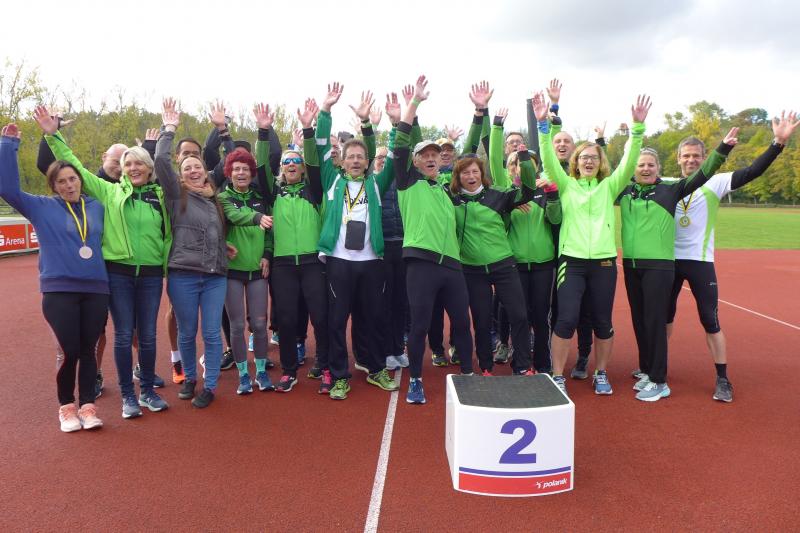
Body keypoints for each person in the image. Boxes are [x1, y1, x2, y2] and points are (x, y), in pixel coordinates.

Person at [36, 106, 172, 419]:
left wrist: (167, 132)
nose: (134, 168)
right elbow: (76, 168)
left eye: (139, 163)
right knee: (124, 334)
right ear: (121, 170)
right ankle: (128, 396)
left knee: (148, 335)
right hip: (119, 273)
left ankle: (147, 390)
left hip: (151, 273)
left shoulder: (161, 195)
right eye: (128, 164)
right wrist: (53, 136)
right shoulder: (108, 192)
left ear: (149, 168)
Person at [665, 110, 800, 402]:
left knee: (710, 320)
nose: (691, 160)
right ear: (678, 159)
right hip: (669, 262)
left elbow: (752, 171)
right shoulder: (667, 184)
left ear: (705, 158)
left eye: (696, 156)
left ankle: (723, 379)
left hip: (700, 262)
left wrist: (777, 144)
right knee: (664, 317)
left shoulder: (716, 182)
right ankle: (657, 368)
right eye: (686, 156)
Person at [533, 90, 650, 397]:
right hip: (571, 262)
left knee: (602, 322)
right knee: (566, 319)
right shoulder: (567, 185)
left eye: (593, 158)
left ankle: (601, 372)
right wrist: (543, 127)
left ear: (600, 163)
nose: (588, 161)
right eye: (583, 157)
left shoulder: (610, 186)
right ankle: (558, 375)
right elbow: (548, 158)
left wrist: (637, 130)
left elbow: (629, 162)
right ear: (575, 162)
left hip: (603, 263)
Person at [1, 123, 107, 432]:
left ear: (80, 180)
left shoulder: (97, 207)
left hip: (97, 288)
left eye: (73, 179)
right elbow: (7, 188)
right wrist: (8, 145)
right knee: (69, 350)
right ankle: (66, 407)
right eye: (61, 181)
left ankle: (88, 406)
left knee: (89, 350)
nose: (69, 185)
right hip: (59, 289)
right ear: (53, 186)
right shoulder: (41, 207)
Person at [620, 130, 737, 401]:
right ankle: (649, 370)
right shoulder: (627, 192)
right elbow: (612, 173)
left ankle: (664, 380)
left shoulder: (671, 189)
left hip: (666, 264)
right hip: (635, 265)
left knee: (667, 320)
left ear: (659, 168)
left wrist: (722, 148)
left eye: (651, 164)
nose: (645, 168)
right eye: (641, 164)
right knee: (644, 320)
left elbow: (703, 174)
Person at [312, 84, 399, 399]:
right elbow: (321, 145)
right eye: (351, 156)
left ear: (367, 160)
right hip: (339, 262)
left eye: (361, 157)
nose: (356, 160)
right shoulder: (332, 179)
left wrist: (379, 124)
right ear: (343, 160)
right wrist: (325, 111)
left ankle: (375, 369)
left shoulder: (376, 183)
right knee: (337, 321)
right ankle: (339, 377)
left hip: (371, 262)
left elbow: (388, 155)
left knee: (374, 318)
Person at [393, 75, 475, 404]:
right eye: (424, 154)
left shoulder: (445, 189)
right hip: (421, 264)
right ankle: (415, 380)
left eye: (435, 154)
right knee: (420, 325)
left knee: (462, 322)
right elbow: (401, 143)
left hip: (452, 266)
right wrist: (414, 104)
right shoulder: (407, 183)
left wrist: (479, 115)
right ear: (414, 162)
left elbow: (471, 159)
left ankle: (468, 375)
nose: (430, 157)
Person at [155, 98, 230, 409]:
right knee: (187, 332)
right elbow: (160, 162)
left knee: (211, 333)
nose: (194, 170)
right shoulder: (176, 194)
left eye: (197, 166)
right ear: (181, 173)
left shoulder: (215, 198)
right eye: (187, 167)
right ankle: (189, 377)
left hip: (214, 276)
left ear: (204, 170)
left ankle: (209, 385)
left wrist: (223, 130)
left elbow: (212, 230)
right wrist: (169, 129)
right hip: (183, 274)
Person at [254, 100, 330, 393]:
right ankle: (288, 371)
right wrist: (263, 133)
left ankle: (324, 367)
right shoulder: (273, 194)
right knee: (285, 320)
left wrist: (308, 130)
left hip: (312, 263)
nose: (292, 165)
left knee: (320, 317)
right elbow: (261, 166)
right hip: (283, 265)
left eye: (296, 161)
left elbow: (314, 161)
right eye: (286, 162)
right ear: (281, 169)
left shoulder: (314, 190)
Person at [451, 143, 537, 376]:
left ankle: (522, 365)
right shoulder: (452, 199)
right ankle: (486, 366)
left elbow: (528, 192)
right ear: (458, 176)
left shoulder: (498, 195)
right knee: (481, 320)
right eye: (465, 172)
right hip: (472, 269)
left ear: (482, 174)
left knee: (519, 315)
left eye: (475, 171)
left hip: (503, 264)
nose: (471, 176)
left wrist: (524, 158)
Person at [489, 109, 562, 373]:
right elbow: (494, 161)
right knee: (517, 316)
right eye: (516, 164)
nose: (521, 167)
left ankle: (543, 363)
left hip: (543, 264)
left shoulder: (543, 191)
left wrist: (552, 197)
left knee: (541, 318)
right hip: (514, 264)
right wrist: (497, 127)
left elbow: (555, 219)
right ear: (509, 169)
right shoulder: (505, 193)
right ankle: (520, 362)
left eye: (527, 163)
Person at [218, 146, 273, 395]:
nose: (241, 173)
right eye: (236, 169)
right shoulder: (223, 199)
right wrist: (256, 218)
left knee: (260, 324)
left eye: (245, 169)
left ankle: (261, 371)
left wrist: (267, 255)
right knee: (237, 325)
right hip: (232, 270)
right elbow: (233, 216)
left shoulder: (260, 197)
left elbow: (270, 234)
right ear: (229, 173)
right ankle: (243, 375)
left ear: (251, 173)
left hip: (256, 270)